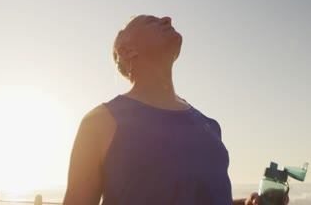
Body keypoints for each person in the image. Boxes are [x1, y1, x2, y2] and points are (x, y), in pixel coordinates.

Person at [63, 15, 277, 205]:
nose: (167, 19)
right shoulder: (102, 122)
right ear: (127, 50)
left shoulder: (210, 126)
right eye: (151, 21)